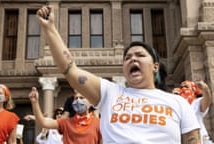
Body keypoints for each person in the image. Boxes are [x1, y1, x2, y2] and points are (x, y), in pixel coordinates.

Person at [36, 6, 200, 143]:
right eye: (127, 58)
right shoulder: (109, 93)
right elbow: (69, 69)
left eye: (140, 55)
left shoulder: (178, 103)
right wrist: (50, 29)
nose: (132, 59)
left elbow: (193, 140)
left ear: (155, 66)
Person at [29, 87, 102, 144]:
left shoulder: (98, 123)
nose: (78, 101)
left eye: (82, 98)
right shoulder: (65, 123)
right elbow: (43, 122)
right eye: (76, 98)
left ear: (91, 103)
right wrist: (35, 103)